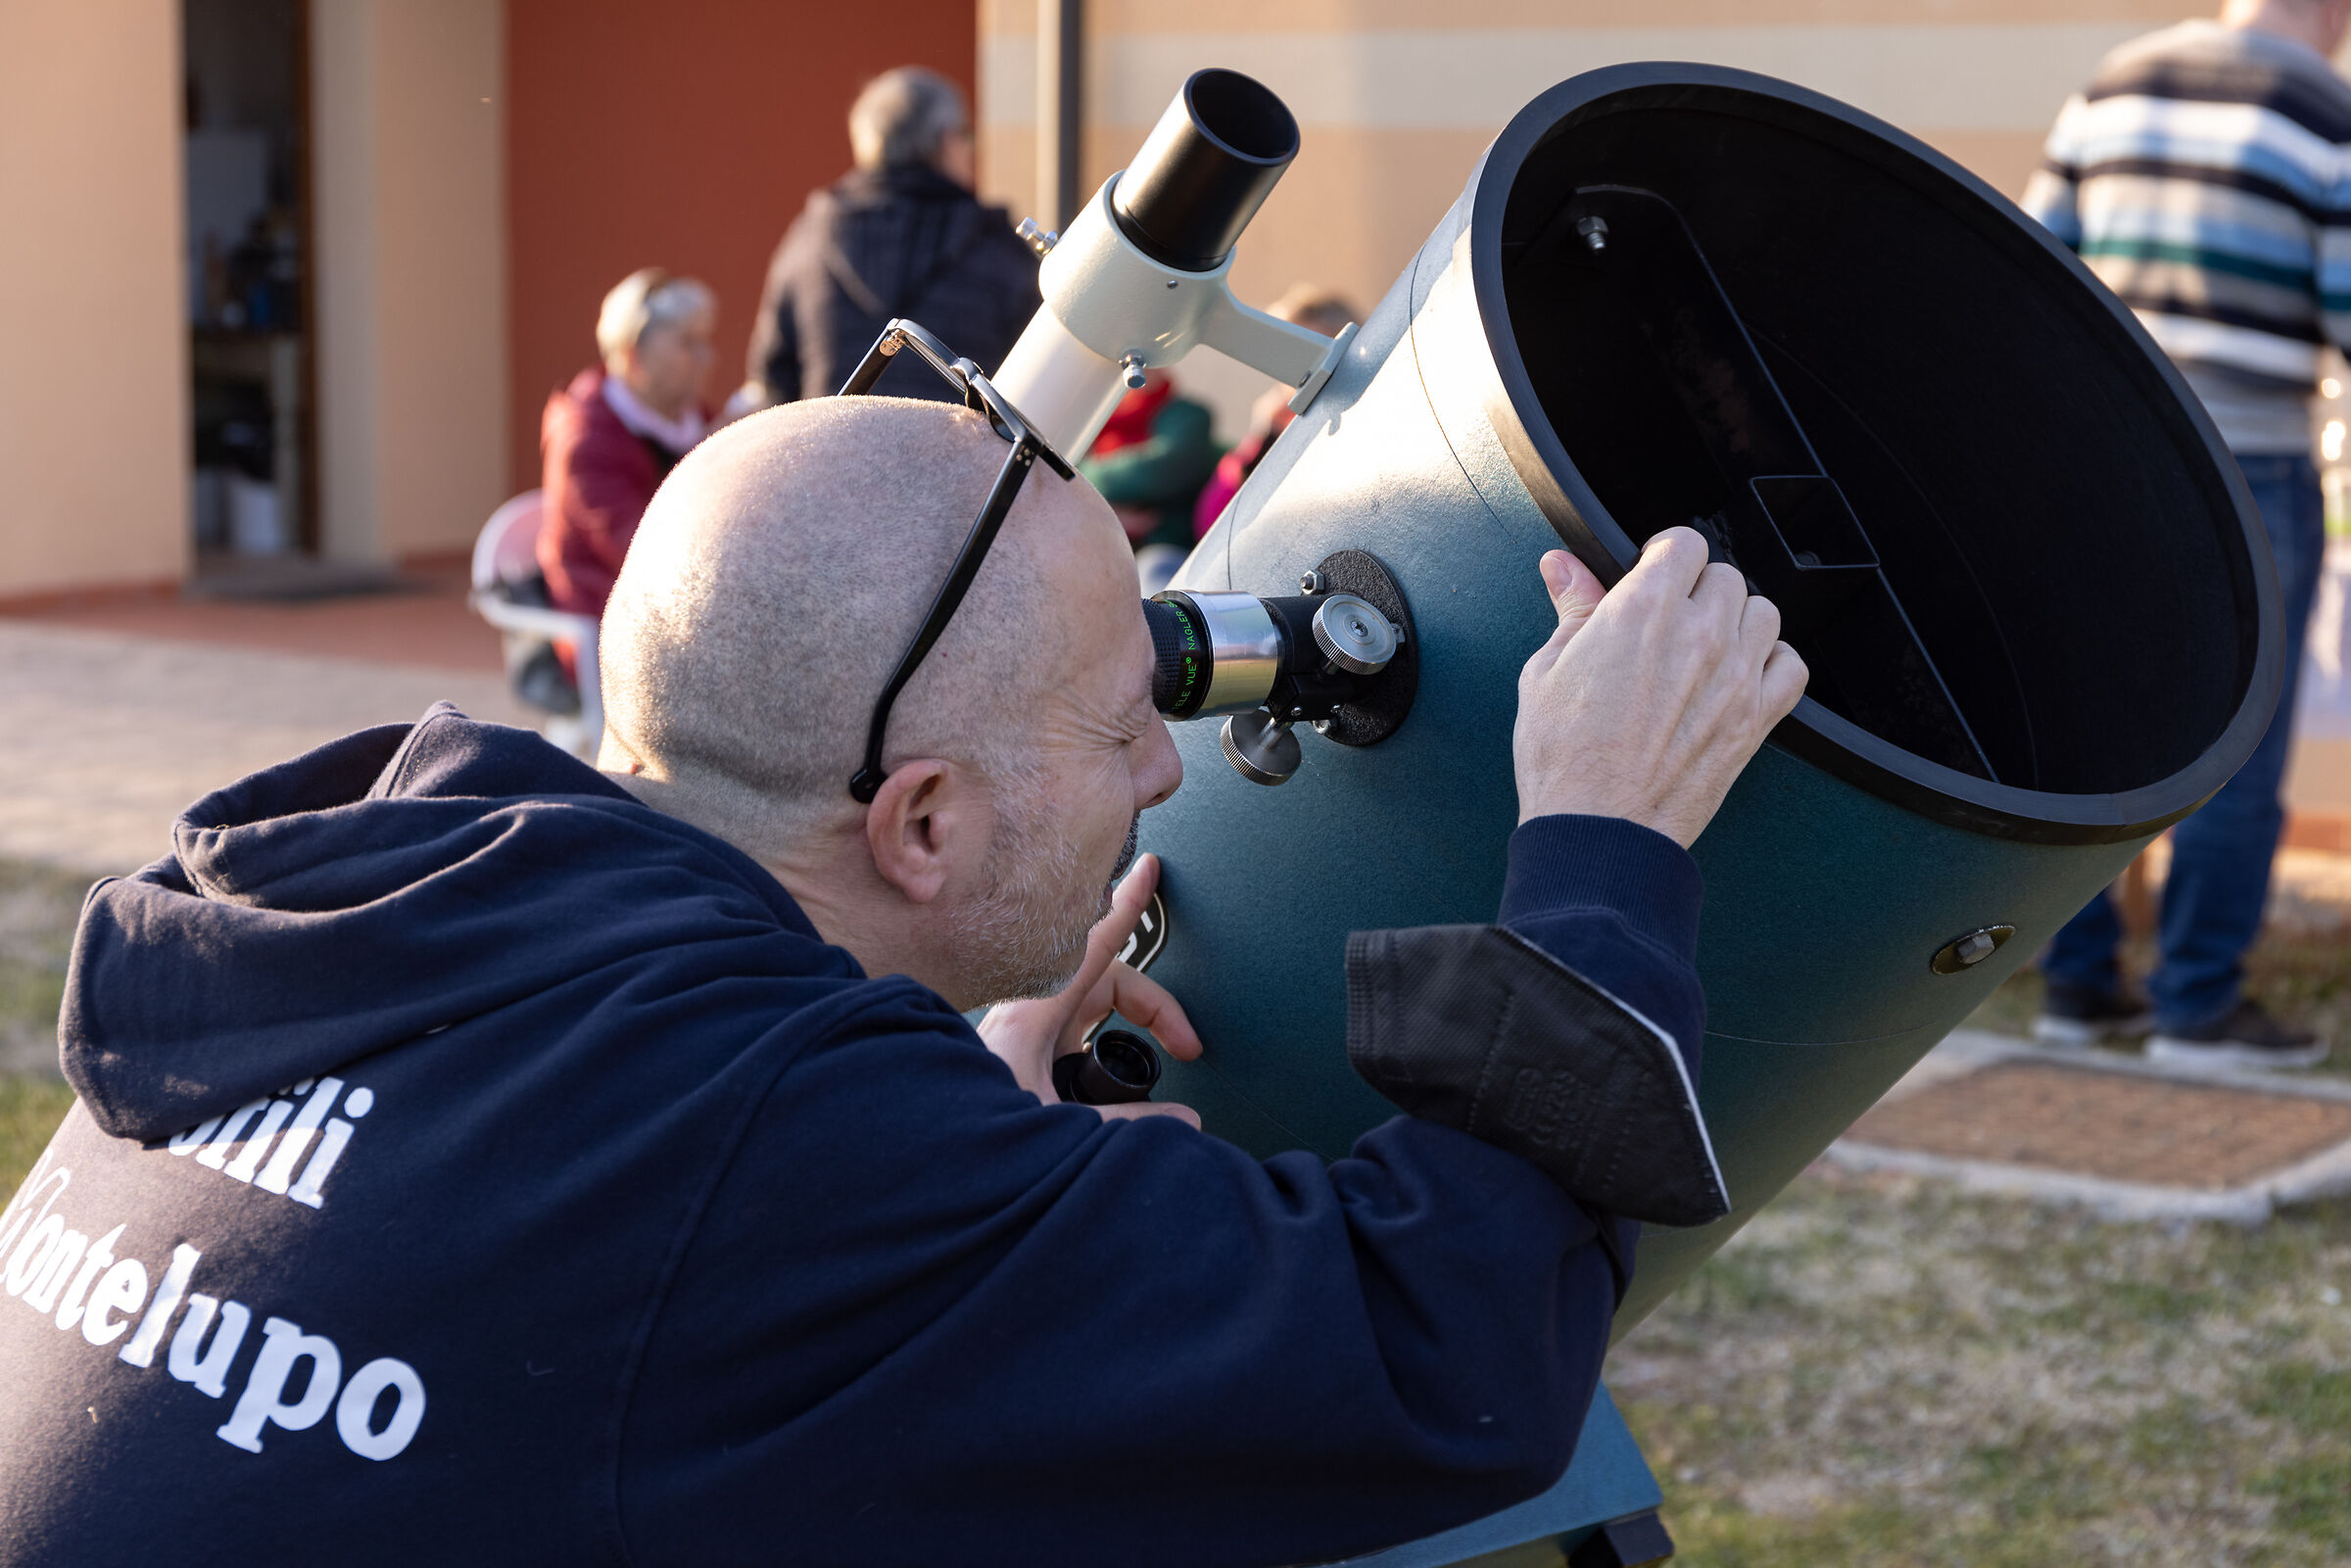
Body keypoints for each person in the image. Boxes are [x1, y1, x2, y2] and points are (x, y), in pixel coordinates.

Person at [0, 394, 1803, 1564]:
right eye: (1118, 728)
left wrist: (961, 1090)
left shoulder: (354, 908)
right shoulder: (773, 1149)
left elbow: (594, 1293)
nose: (1165, 773)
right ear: (922, 825)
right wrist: (1603, 828)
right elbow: (1446, 1351)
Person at [2021, 0, 2349, 1068]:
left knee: (2093, 729)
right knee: (2234, 738)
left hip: (2100, 451)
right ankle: (2199, 1003)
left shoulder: (2116, 80)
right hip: (2250, 460)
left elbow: (2039, 266)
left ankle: (2077, 985)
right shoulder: (2326, 110)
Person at [740, 67, 1039, 409]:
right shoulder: (997, 248)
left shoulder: (807, 243)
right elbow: (1043, 380)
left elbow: (771, 387)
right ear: (946, 140)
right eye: (967, 135)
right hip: (970, 461)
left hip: (834, 458)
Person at [538, 268, 717, 622]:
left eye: (704, 341)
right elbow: (641, 556)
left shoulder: (691, 414)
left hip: (675, 603)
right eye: (687, 343)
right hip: (609, 617)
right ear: (634, 356)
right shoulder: (586, 439)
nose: (706, 358)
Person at [1192, 284, 1361, 539]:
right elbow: (1210, 523)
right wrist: (1261, 436)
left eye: (1316, 354)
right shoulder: (1277, 428)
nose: (1308, 372)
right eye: (1294, 357)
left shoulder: (1358, 417)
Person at [1081, 367, 1222, 560]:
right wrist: (1104, 515)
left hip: (1169, 548)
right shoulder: (1091, 423)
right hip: (1098, 546)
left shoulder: (1189, 415)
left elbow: (1155, 473)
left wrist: (1083, 480)